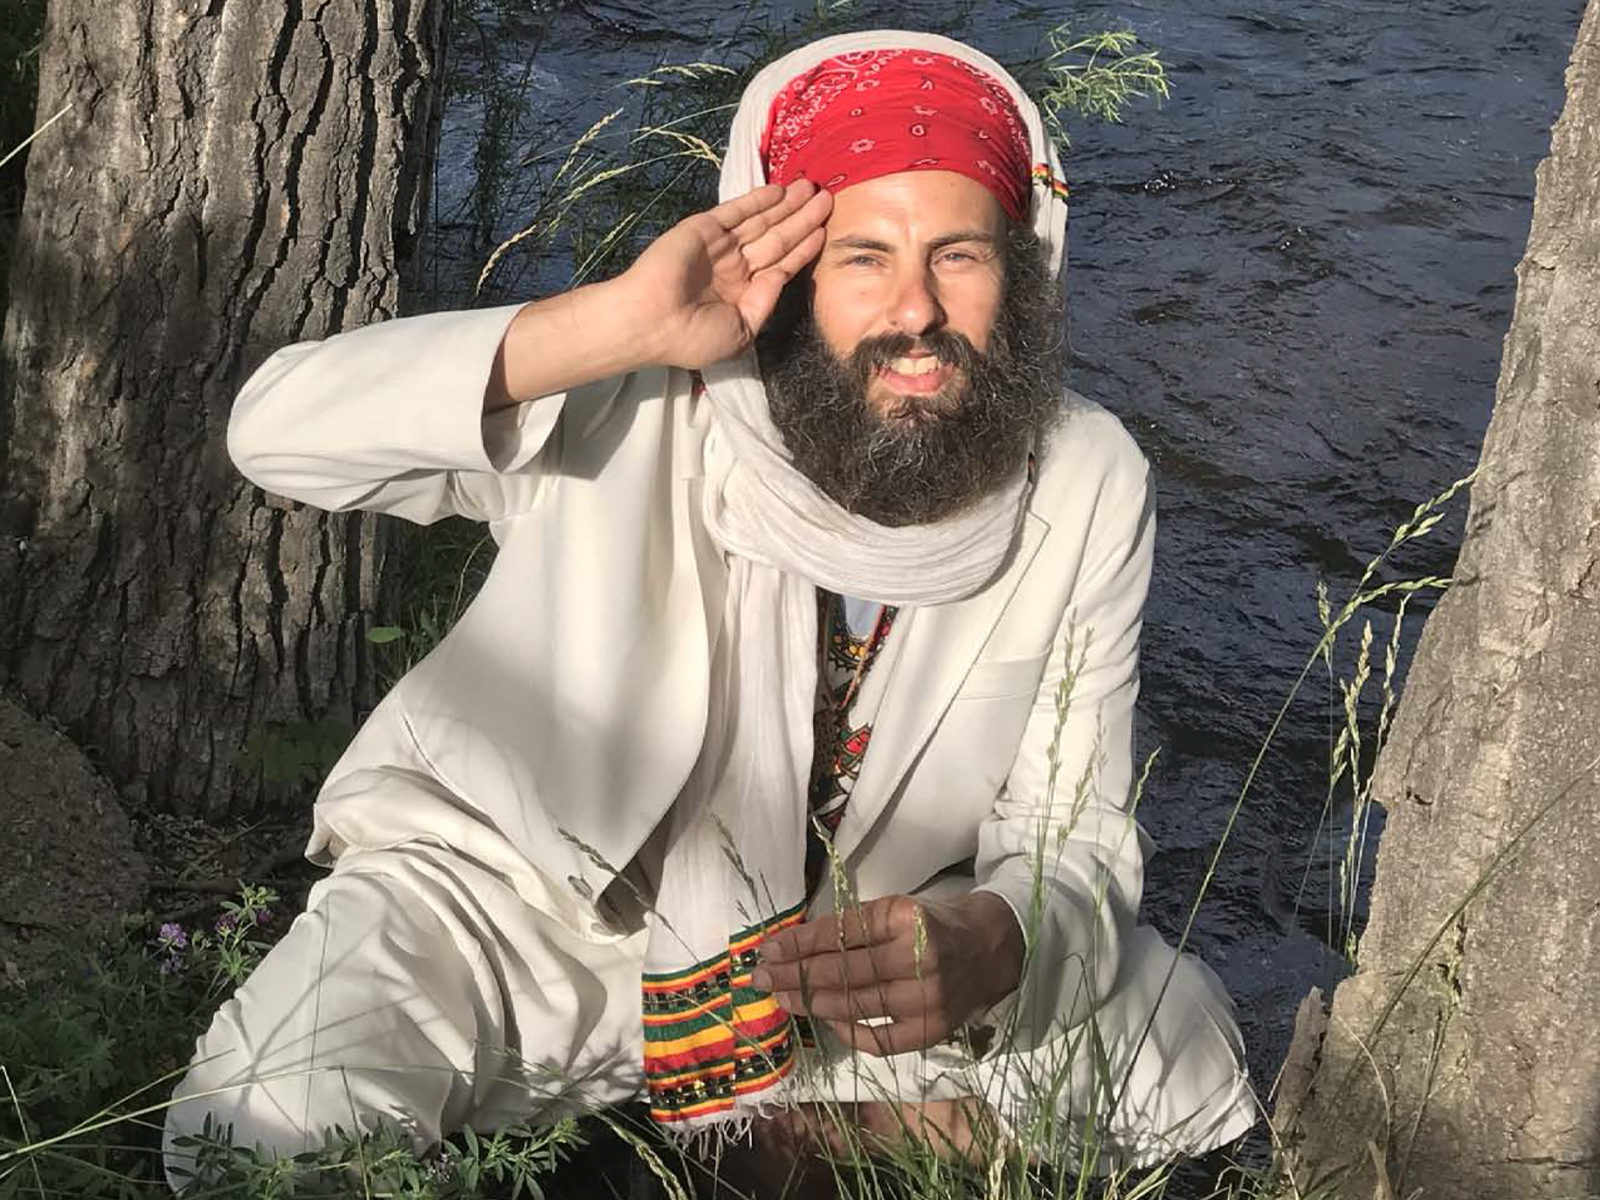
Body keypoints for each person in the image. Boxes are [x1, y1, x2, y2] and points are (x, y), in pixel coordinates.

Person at [163, 29, 1257, 1193]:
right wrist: (618, 323)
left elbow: (1072, 833)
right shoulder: (637, 389)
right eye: (860, 256)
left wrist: (996, 939)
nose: (915, 310)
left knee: (1178, 1055)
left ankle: (690, 1149)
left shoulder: (1086, 475)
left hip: (833, 975)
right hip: (509, 927)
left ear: (1023, 270)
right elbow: (276, 432)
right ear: (788, 264)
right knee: (258, 1133)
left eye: (959, 256)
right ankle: (712, 1147)